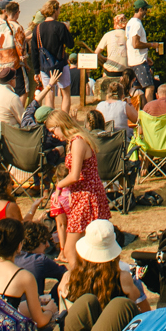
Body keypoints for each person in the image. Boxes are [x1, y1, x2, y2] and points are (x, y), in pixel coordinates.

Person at [48, 108, 110, 265]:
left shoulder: (77, 142)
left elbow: (74, 175)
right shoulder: (75, 140)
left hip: (86, 197)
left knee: (71, 250)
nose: (53, 135)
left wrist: (58, 186)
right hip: (84, 195)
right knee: (89, 247)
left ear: (60, 125)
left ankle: (78, 283)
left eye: (53, 130)